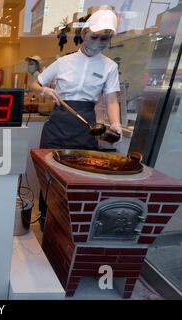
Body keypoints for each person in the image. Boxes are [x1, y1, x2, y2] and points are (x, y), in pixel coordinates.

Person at [30, 9, 123, 230]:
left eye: (105, 39)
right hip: (58, 124)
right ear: (85, 34)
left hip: (85, 126)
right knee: (50, 176)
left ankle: (70, 223)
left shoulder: (110, 66)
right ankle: (46, 219)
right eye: (95, 37)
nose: (98, 43)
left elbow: (111, 100)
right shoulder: (64, 62)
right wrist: (44, 91)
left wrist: (116, 124)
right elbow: (33, 84)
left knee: (80, 176)